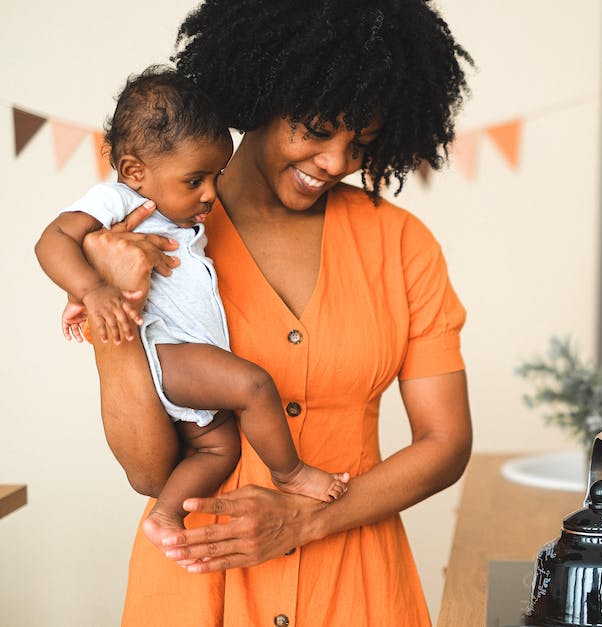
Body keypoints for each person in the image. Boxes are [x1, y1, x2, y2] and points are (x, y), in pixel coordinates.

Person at [78, 1, 474, 625]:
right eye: (317, 130)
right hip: (195, 586)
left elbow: (446, 443)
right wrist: (117, 307)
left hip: (355, 587)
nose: (338, 163)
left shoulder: (402, 244)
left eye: (360, 143)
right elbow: (148, 470)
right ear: (263, 91)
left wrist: (309, 518)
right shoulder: (151, 236)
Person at [35, 66, 350, 551]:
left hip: (185, 355)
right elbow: (53, 240)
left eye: (216, 176)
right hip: (169, 352)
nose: (210, 192)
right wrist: (91, 288)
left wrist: (86, 289)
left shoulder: (175, 208)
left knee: (217, 446)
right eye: (195, 179)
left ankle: (165, 516)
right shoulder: (117, 198)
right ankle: (290, 472)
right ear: (136, 170)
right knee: (254, 385)